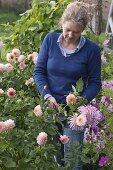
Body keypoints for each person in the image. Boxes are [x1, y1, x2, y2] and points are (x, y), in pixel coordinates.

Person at [34, 1, 101, 170]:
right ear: (62, 23)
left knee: (72, 160)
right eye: (67, 29)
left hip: (74, 114)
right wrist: (47, 96)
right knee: (57, 157)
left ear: (82, 30)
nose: (70, 34)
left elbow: (95, 82)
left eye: (76, 32)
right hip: (50, 108)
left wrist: (78, 103)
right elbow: (39, 72)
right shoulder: (49, 40)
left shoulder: (91, 50)